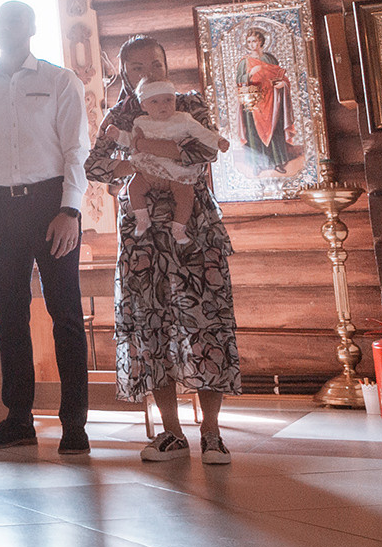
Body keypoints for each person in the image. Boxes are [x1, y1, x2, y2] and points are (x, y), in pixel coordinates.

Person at [87, 36, 238, 464]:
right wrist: (136, 160)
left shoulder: (189, 104)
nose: (149, 72)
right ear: (124, 75)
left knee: (206, 319)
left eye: (156, 63)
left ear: (168, 66)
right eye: (137, 67)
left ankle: (212, 433)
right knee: (152, 324)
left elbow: (206, 149)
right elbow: (96, 166)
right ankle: (172, 433)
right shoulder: (119, 115)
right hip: (143, 233)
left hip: (196, 228)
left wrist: (140, 150)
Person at [0, 0, 92, 453]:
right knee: (9, 318)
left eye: (15, 19)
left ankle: (74, 424)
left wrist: (70, 210)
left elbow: (77, 150)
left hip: (52, 204)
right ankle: (18, 419)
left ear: (31, 27)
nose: (6, 27)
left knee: (66, 316)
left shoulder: (60, 80)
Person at [117, 80, 231, 246]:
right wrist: (117, 135)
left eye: (168, 100)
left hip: (177, 168)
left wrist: (218, 141)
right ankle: (143, 219)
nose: (162, 105)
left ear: (175, 101)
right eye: (154, 101)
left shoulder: (183, 119)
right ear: (144, 105)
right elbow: (131, 141)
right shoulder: (141, 122)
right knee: (134, 186)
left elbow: (202, 133)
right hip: (150, 167)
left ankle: (178, 227)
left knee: (186, 195)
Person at [238, 28, 296, 171]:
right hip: (253, 102)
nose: (252, 45)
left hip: (272, 101)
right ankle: (257, 164)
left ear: (261, 42)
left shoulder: (270, 59)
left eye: (255, 41)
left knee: (275, 130)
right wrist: (250, 74)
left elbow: (280, 76)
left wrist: (283, 84)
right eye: (249, 42)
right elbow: (239, 81)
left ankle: (277, 162)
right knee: (253, 133)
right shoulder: (244, 62)